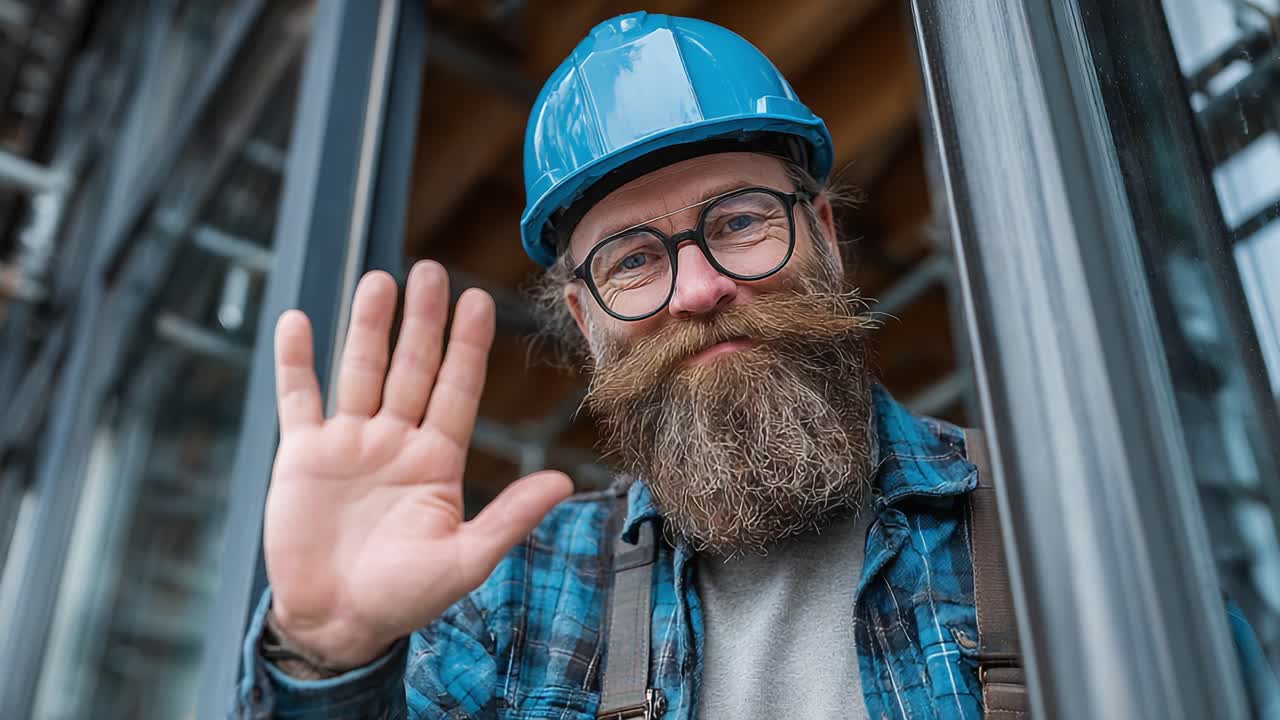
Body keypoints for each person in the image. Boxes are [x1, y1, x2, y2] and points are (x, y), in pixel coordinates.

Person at [233, 12, 1276, 720]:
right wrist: (326, 658)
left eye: (736, 222)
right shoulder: (512, 604)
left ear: (820, 230)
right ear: (583, 315)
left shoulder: (1065, 516)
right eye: (631, 259)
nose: (696, 290)